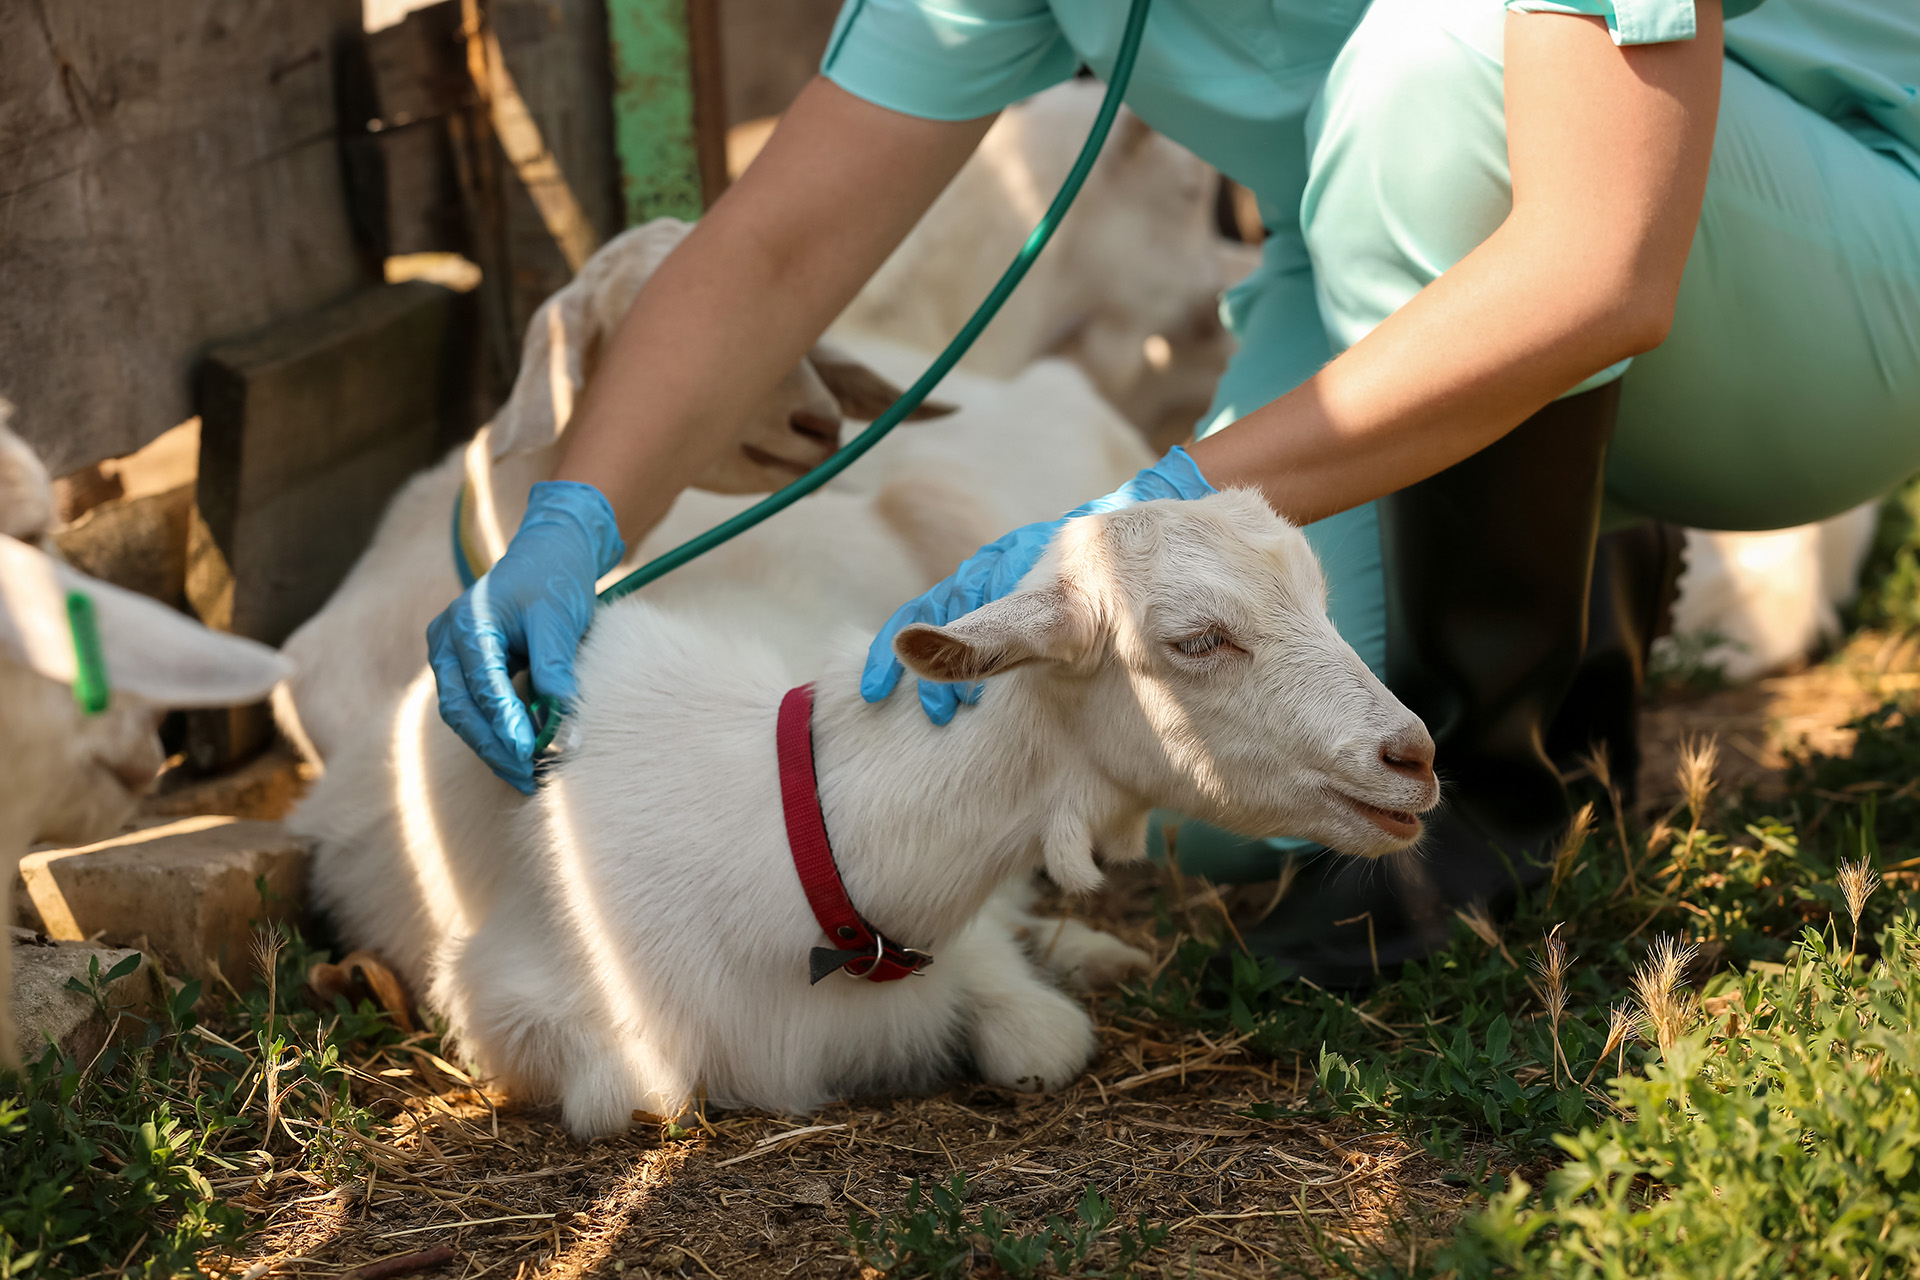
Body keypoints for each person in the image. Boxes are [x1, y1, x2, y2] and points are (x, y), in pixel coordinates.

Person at [427, 0, 1920, 984]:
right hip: (1417, 265)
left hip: (1843, 274)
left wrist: (1171, 497)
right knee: (1243, 784)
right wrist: (572, 522)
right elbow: (770, 251)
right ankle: (1559, 501)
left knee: (1441, 74)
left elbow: (1599, 262)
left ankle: (1513, 799)